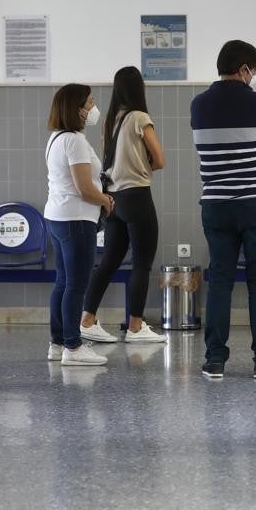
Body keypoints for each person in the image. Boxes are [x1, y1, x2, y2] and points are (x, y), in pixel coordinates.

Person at [191, 39, 256, 380]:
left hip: (216, 204)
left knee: (220, 280)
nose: (255, 77)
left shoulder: (198, 104)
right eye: (255, 70)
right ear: (244, 69)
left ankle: (214, 359)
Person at [80, 66, 168, 344]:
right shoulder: (140, 117)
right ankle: (135, 327)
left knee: (108, 263)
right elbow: (160, 159)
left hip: (114, 200)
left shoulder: (111, 120)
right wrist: (145, 166)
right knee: (142, 264)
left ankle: (87, 319)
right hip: (138, 196)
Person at [45, 83, 114, 366]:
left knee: (63, 282)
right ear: (77, 109)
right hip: (76, 219)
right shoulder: (74, 141)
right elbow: (84, 188)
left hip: (58, 216)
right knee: (76, 284)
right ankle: (73, 347)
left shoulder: (56, 138)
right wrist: (106, 200)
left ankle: (58, 343)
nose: (93, 107)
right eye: (89, 103)